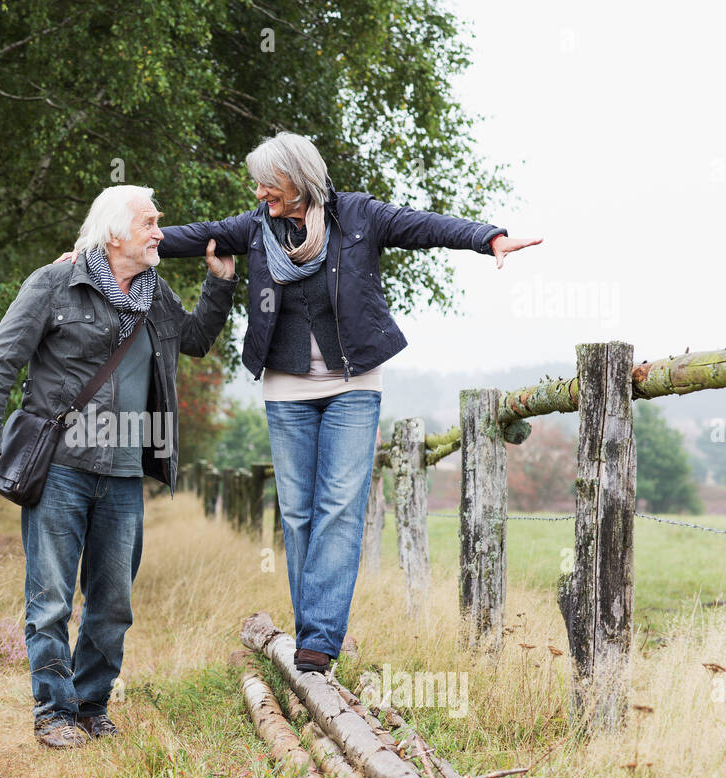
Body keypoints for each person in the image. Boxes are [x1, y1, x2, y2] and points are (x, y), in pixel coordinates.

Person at [56, 132, 540, 675]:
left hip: (353, 383)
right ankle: (316, 633)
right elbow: (190, 237)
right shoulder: (256, 227)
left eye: (270, 183)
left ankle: (317, 644)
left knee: (340, 504)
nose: (260, 193)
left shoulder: (357, 216)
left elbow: (425, 225)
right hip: (286, 385)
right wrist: (102, 249)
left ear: (298, 178)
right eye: (259, 184)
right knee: (298, 512)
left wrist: (489, 238)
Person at [0, 185, 237, 748]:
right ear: (115, 232)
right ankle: (54, 713)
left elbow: (194, 340)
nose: (160, 231)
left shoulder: (154, 293)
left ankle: (91, 706)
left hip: (122, 473)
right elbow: (0, 360)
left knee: (112, 601)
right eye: (149, 222)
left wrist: (219, 281)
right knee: (51, 601)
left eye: (158, 221)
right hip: (61, 465)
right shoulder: (54, 283)